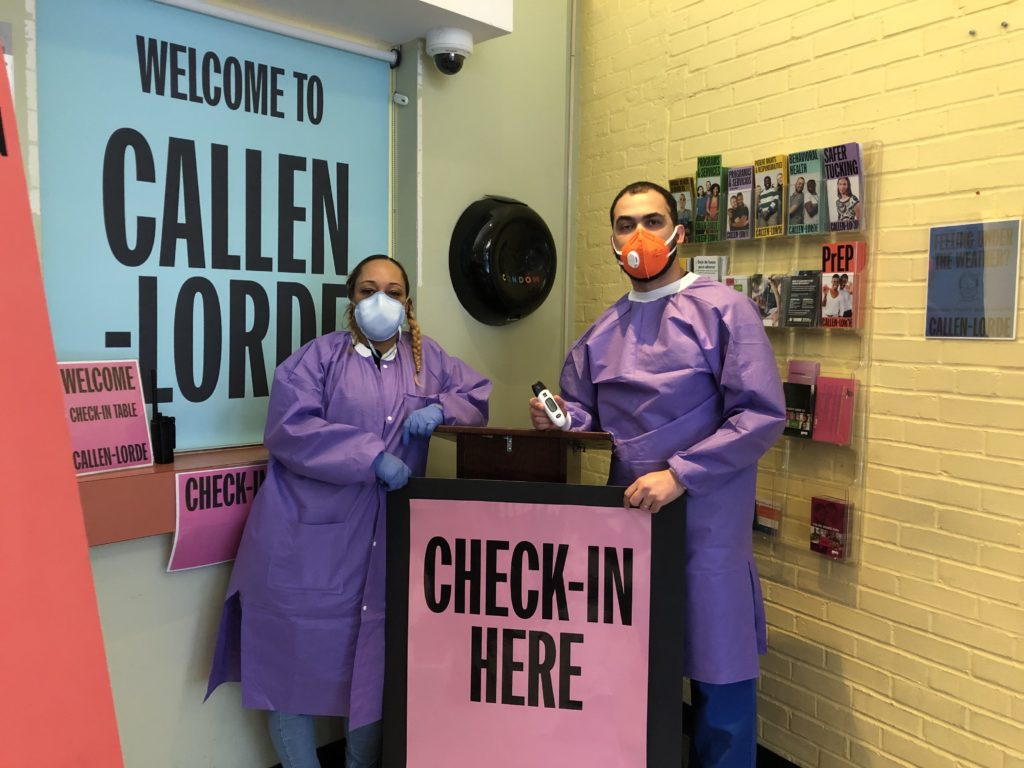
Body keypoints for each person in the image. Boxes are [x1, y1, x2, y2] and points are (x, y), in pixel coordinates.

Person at [529, 181, 785, 768]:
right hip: (630, 525)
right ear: (613, 241)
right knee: (633, 677)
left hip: (707, 523)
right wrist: (560, 418)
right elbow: (586, 413)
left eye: (651, 220)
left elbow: (760, 414)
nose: (638, 234)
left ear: (679, 233)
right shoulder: (603, 332)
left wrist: (681, 474)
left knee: (720, 678)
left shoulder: (724, 311)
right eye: (624, 224)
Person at [206, 254, 491, 768]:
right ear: (349, 299)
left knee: (373, 672)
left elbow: (477, 393)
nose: (380, 301)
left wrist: (442, 408)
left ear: (408, 303)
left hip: (382, 545)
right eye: (367, 290)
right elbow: (289, 428)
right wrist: (369, 456)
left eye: (393, 291)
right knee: (288, 671)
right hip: (304, 541)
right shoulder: (316, 360)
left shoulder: (428, 361)